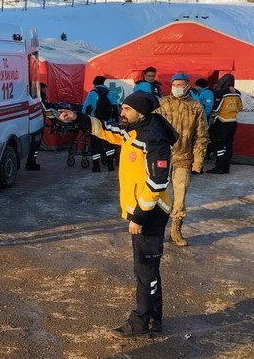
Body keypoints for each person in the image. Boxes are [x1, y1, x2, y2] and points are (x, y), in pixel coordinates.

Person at [59, 91, 178, 338]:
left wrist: (139, 217)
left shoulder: (153, 139)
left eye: (126, 109)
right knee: (149, 269)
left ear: (140, 112)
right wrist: (77, 118)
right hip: (145, 212)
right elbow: (106, 131)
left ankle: (140, 322)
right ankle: (154, 318)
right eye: (121, 108)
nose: (121, 113)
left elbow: (157, 183)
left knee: (144, 270)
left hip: (150, 213)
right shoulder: (135, 130)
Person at [156, 73, 209, 247]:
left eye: (181, 84)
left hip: (183, 158)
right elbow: (152, 128)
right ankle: (155, 230)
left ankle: (176, 230)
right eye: (174, 84)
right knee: (156, 194)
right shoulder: (162, 104)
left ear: (188, 86)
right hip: (161, 157)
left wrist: (198, 161)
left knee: (180, 197)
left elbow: (201, 136)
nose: (177, 87)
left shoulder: (196, 107)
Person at [207, 74, 243, 174]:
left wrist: (214, 117)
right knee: (229, 145)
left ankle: (219, 167)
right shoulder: (238, 93)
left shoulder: (221, 92)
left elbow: (215, 108)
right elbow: (240, 107)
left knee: (219, 145)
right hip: (233, 121)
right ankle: (226, 167)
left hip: (221, 122)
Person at [82, 76, 116, 172]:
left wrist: (86, 121)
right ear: (103, 83)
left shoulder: (92, 94)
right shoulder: (110, 93)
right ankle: (110, 166)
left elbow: (86, 108)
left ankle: (96, 167)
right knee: (109, 144)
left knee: (95, 145)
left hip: (95, 122)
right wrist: (115, 120)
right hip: (107, 122)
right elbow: (115, 108)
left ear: (94, 84)